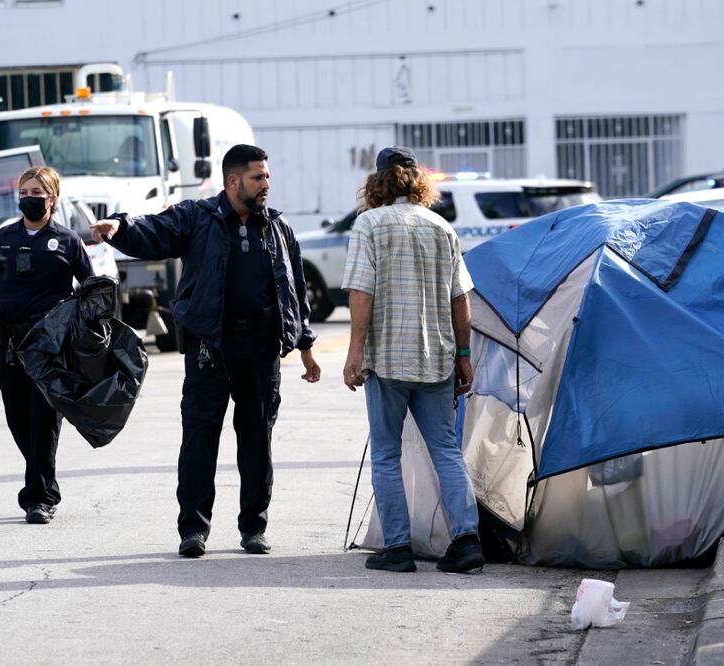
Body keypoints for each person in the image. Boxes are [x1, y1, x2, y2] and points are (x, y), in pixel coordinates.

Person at [89, 144, 321, 558]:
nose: (266, 184)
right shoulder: (198, 218)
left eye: (267, 177)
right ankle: (193, 529)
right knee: (199, 437)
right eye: (257, 177)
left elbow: (294, 288)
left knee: (257, 440)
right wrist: (120, 228)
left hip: (261, 349)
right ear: (234, 182)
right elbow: (154, 231)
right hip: (210, 346)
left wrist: (304, 344)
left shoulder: (278, 228)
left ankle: (254, 528)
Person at [342, 146, 484, 574]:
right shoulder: (442, 227)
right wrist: (464, 356)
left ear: (378, 182)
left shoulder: (369, 224)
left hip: (387, 358)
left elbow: (361, 293)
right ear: (418, 180)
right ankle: (466, 541)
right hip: (437, 357)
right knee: (446, 448)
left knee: (386, 454)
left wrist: (354, 352)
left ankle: (398, 548)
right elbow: (461, 300)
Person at [0, 166, 93, 524]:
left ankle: (40, 497)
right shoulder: (2, 239)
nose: (29, 198)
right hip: (11, 343)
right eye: (24, 192)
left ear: (53, 198)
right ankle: (41, 482)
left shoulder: (67, 241)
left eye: (37, 193)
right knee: (18, 418)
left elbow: (90, 286)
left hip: (50, 345)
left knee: (43, 419)